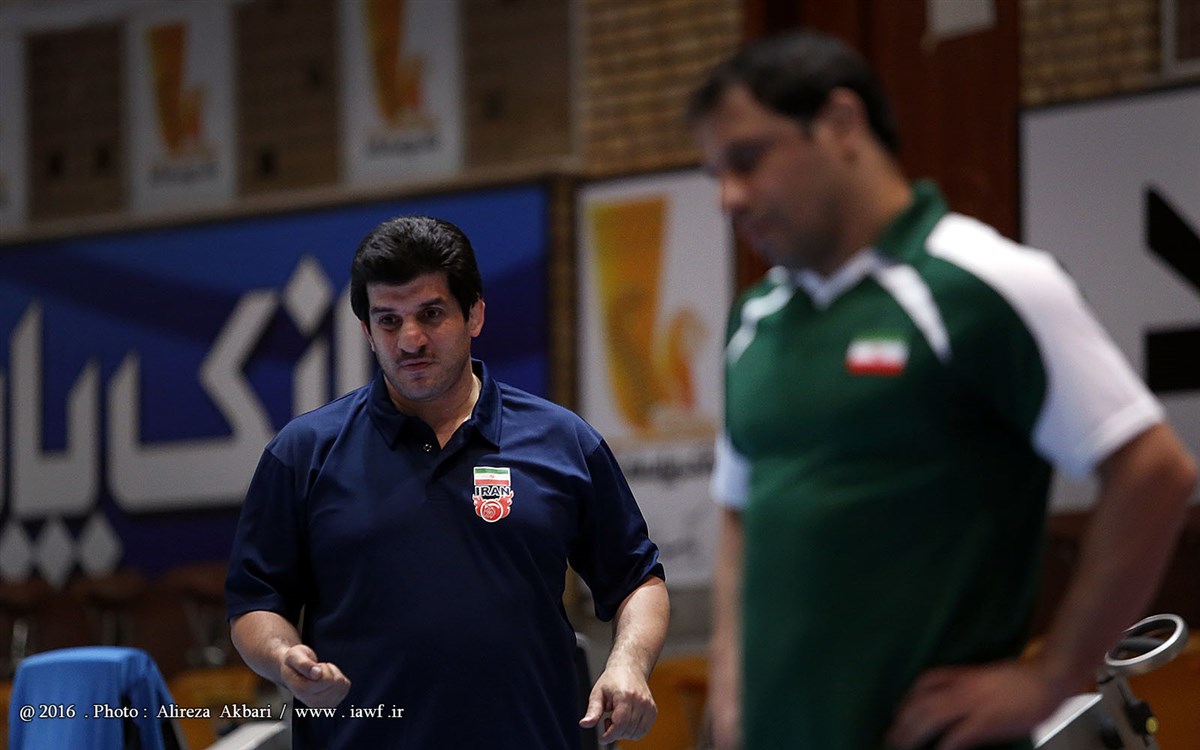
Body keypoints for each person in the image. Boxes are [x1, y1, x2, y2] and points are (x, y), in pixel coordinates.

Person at [688, 30, 1197, 750]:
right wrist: (731, 697)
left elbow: (1154, 472)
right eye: (715, 173)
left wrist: (1050, 678)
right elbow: (739, 512)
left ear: (841, 125)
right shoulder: (756, 320)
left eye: (747, 161)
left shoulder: (983, 284)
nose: (728, 198)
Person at [226, 215, 669, 750]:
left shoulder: (562, 440)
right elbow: (255, 604)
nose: (410, 339)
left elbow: (638, 581)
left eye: (431, 314)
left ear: (474, 314)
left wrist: (628, 663)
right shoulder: (302, 453)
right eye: (388, 321)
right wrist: (283, 657)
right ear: (367, 332)